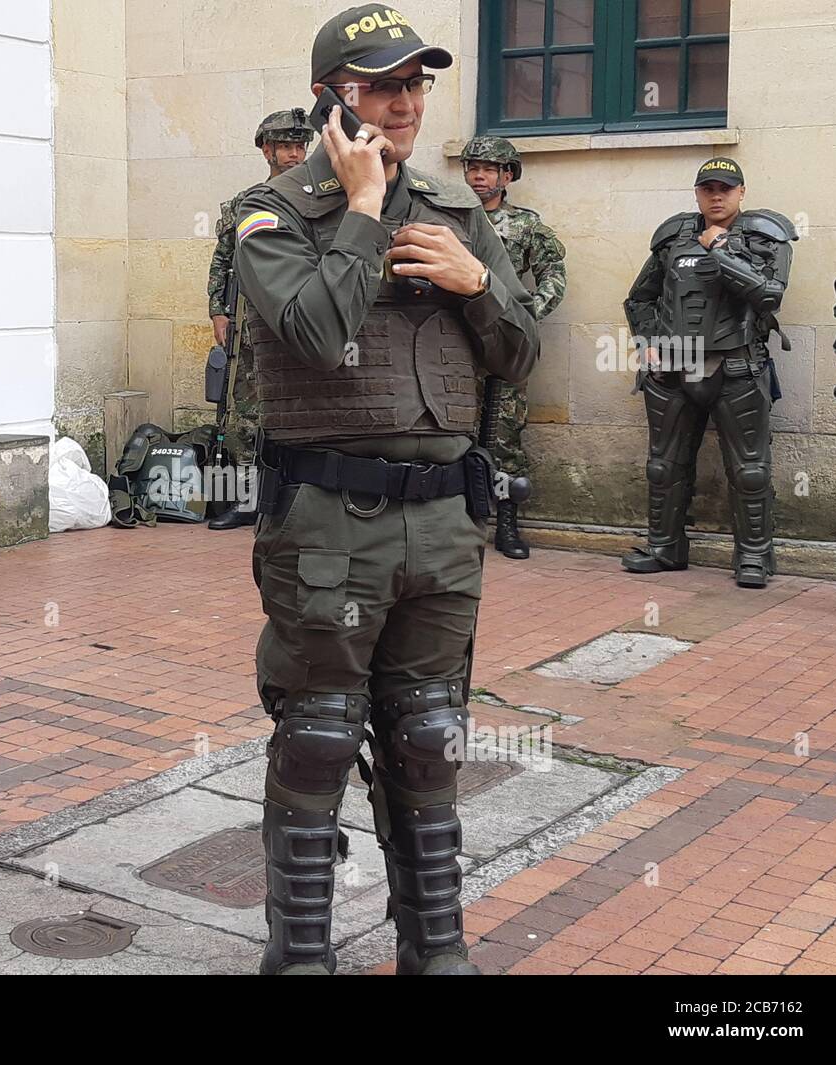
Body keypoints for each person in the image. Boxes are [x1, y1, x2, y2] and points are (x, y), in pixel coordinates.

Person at [234, 5, 539, 975]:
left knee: (430, 737)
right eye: (380, 84)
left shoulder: (457, 215)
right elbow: (316, 336)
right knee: (320, 737)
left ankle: (434, 949)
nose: (403, 103)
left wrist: (472, 283)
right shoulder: (269, 214)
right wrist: (363, 212)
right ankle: (300, 955)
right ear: (333, 96)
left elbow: (521, 354)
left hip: (443, 516)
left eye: (415, 83)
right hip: (328, 519)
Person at [622, 158, 797, 588]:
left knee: (749, 469)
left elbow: (769, 295)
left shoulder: (764, 236)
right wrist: (648, 344)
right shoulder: (673, 237)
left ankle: (754, 557)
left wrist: (721, 250)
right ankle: (665, 548)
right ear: (697, 193)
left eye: (725, 188)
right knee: (664, 466)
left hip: (736, 366)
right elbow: (639, 299)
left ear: (741, 192)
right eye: (708, 189)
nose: (716, 196)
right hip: (672, 369)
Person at [206, 109, 316, 529]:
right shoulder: (247, 202)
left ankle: (299, 499)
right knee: (247, 413)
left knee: (305, 410)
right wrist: (219, 309)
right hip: (251, 327)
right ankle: (251, 499)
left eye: (300, 145)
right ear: (267, 150)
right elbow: (224, 258)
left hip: (301, 321)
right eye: (286, 146)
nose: (294, 154)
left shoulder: (319, 198)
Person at [460, 136, 567, 559]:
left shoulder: (526, 226)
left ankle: (507, 525)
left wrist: (526, 317)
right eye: (472, 168)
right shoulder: (452, 218)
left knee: (504, 436)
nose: (479, 176)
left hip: (504, 345)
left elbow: (553, 275)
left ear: (507, 176)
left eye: (488, 169)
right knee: (455, 434)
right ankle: (461, 523)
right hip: (458, 345)